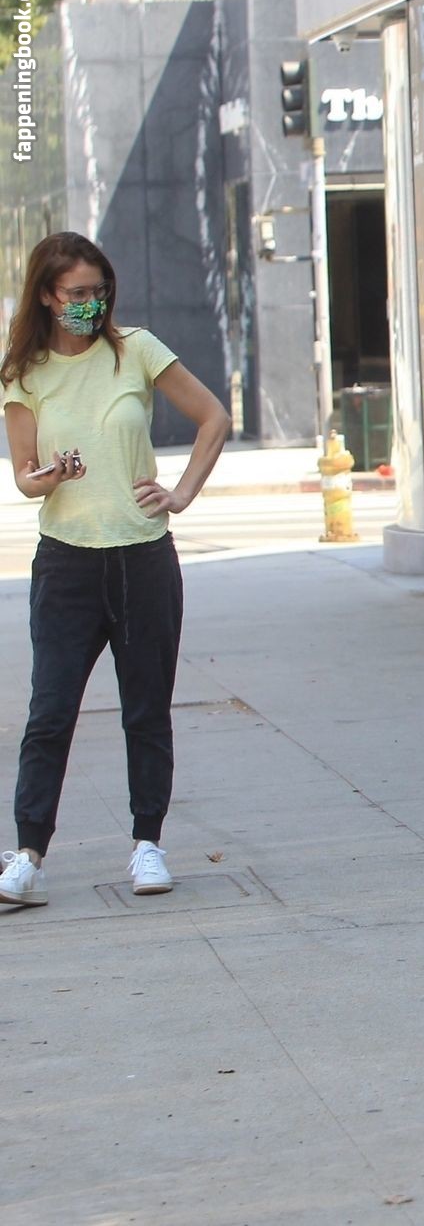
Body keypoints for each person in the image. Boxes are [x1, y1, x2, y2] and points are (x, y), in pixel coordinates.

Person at [0, 232, 230, 907]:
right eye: (77, 293)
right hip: (66, 564)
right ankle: (29, 856)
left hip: (142, 560)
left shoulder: (137, 348)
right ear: (47, 295)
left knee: (146, 710)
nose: (90, 304)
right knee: (50, 712)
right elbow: (23, 477)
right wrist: (48, 475)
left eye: (99, 292)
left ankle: (147, 843)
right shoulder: (25, 372)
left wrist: (180, 493)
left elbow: (213, 416)